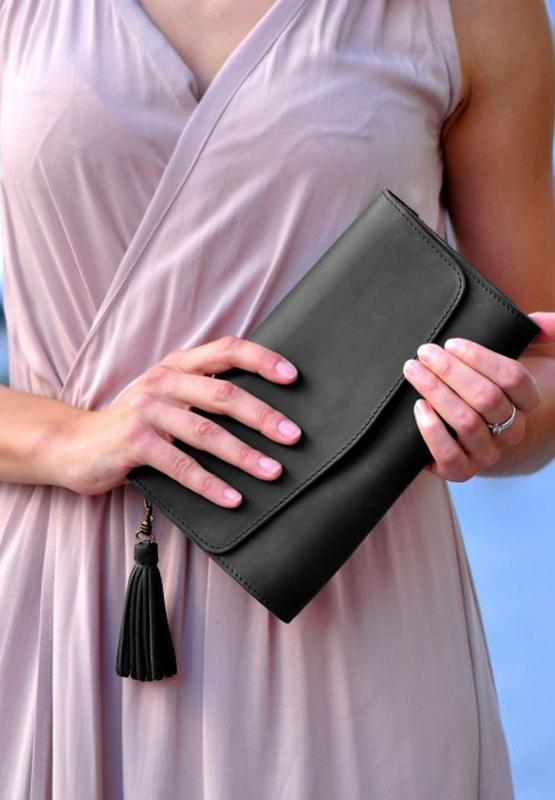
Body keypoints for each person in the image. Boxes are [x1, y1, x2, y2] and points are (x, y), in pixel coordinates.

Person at [0, 0, 553, 797]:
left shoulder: (474, 13)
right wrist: (66, 439)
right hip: (58, 600)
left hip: (357, 617)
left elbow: (540, 362)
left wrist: (492, 421)